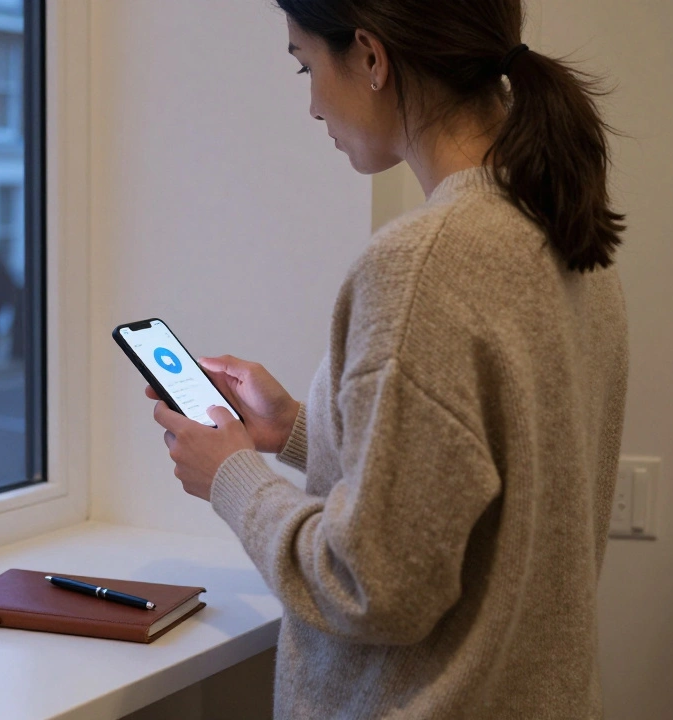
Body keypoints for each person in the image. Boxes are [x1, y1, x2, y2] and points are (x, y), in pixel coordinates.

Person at [147, 2, 628, 718]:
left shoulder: (422, 265)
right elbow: (474, 486)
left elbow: (372, 584)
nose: (311, 104)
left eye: (307, 66)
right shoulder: (561, 229)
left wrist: (232, 477)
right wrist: (301, 432)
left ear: (371, 58)